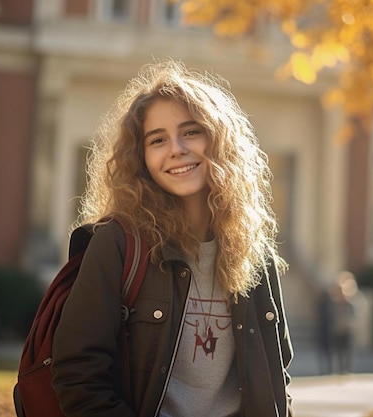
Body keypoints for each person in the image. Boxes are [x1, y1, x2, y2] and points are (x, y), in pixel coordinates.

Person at [51, 59, 294, 417]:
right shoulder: (118, 244)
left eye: (191, 131)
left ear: (218, 139)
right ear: (141, 157)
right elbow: (77, 375)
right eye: (158, 139)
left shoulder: (254, 253)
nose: (176, 148)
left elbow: (276, 376)